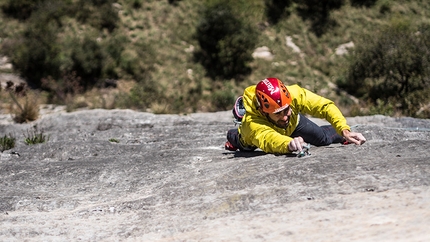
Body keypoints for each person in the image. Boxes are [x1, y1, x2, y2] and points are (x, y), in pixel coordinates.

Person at [225, 77, 366, 154]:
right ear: (263, 112)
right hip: (251, 139)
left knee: (324, 139)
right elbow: (269, 139)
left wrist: (344, 129)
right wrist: (288, 144)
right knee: (242, 143)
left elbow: (323, 106)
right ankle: (233, 135)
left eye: (287, 110)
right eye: (278, 113)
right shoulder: (253, 124)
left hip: (294, 126)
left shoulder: (294, 94)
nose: (285, 116)